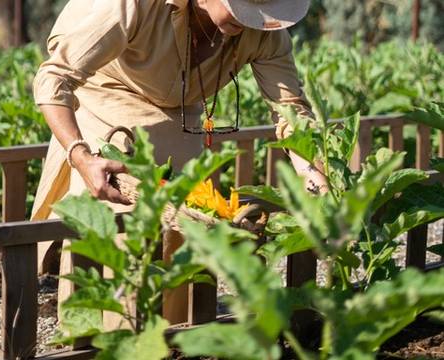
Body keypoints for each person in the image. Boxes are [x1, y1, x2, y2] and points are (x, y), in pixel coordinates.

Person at [31, 0, 327, 327]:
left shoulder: (262, 31)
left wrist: (312, 172)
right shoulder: (135, 6)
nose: (253, 21)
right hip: (106, 92)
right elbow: (54, 77)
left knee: (183, 219)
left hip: (179, 112)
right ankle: (96, 336)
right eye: (241, 8)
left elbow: (289, 110)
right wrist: (80, 154)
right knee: (116, 226)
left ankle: (167, 335)